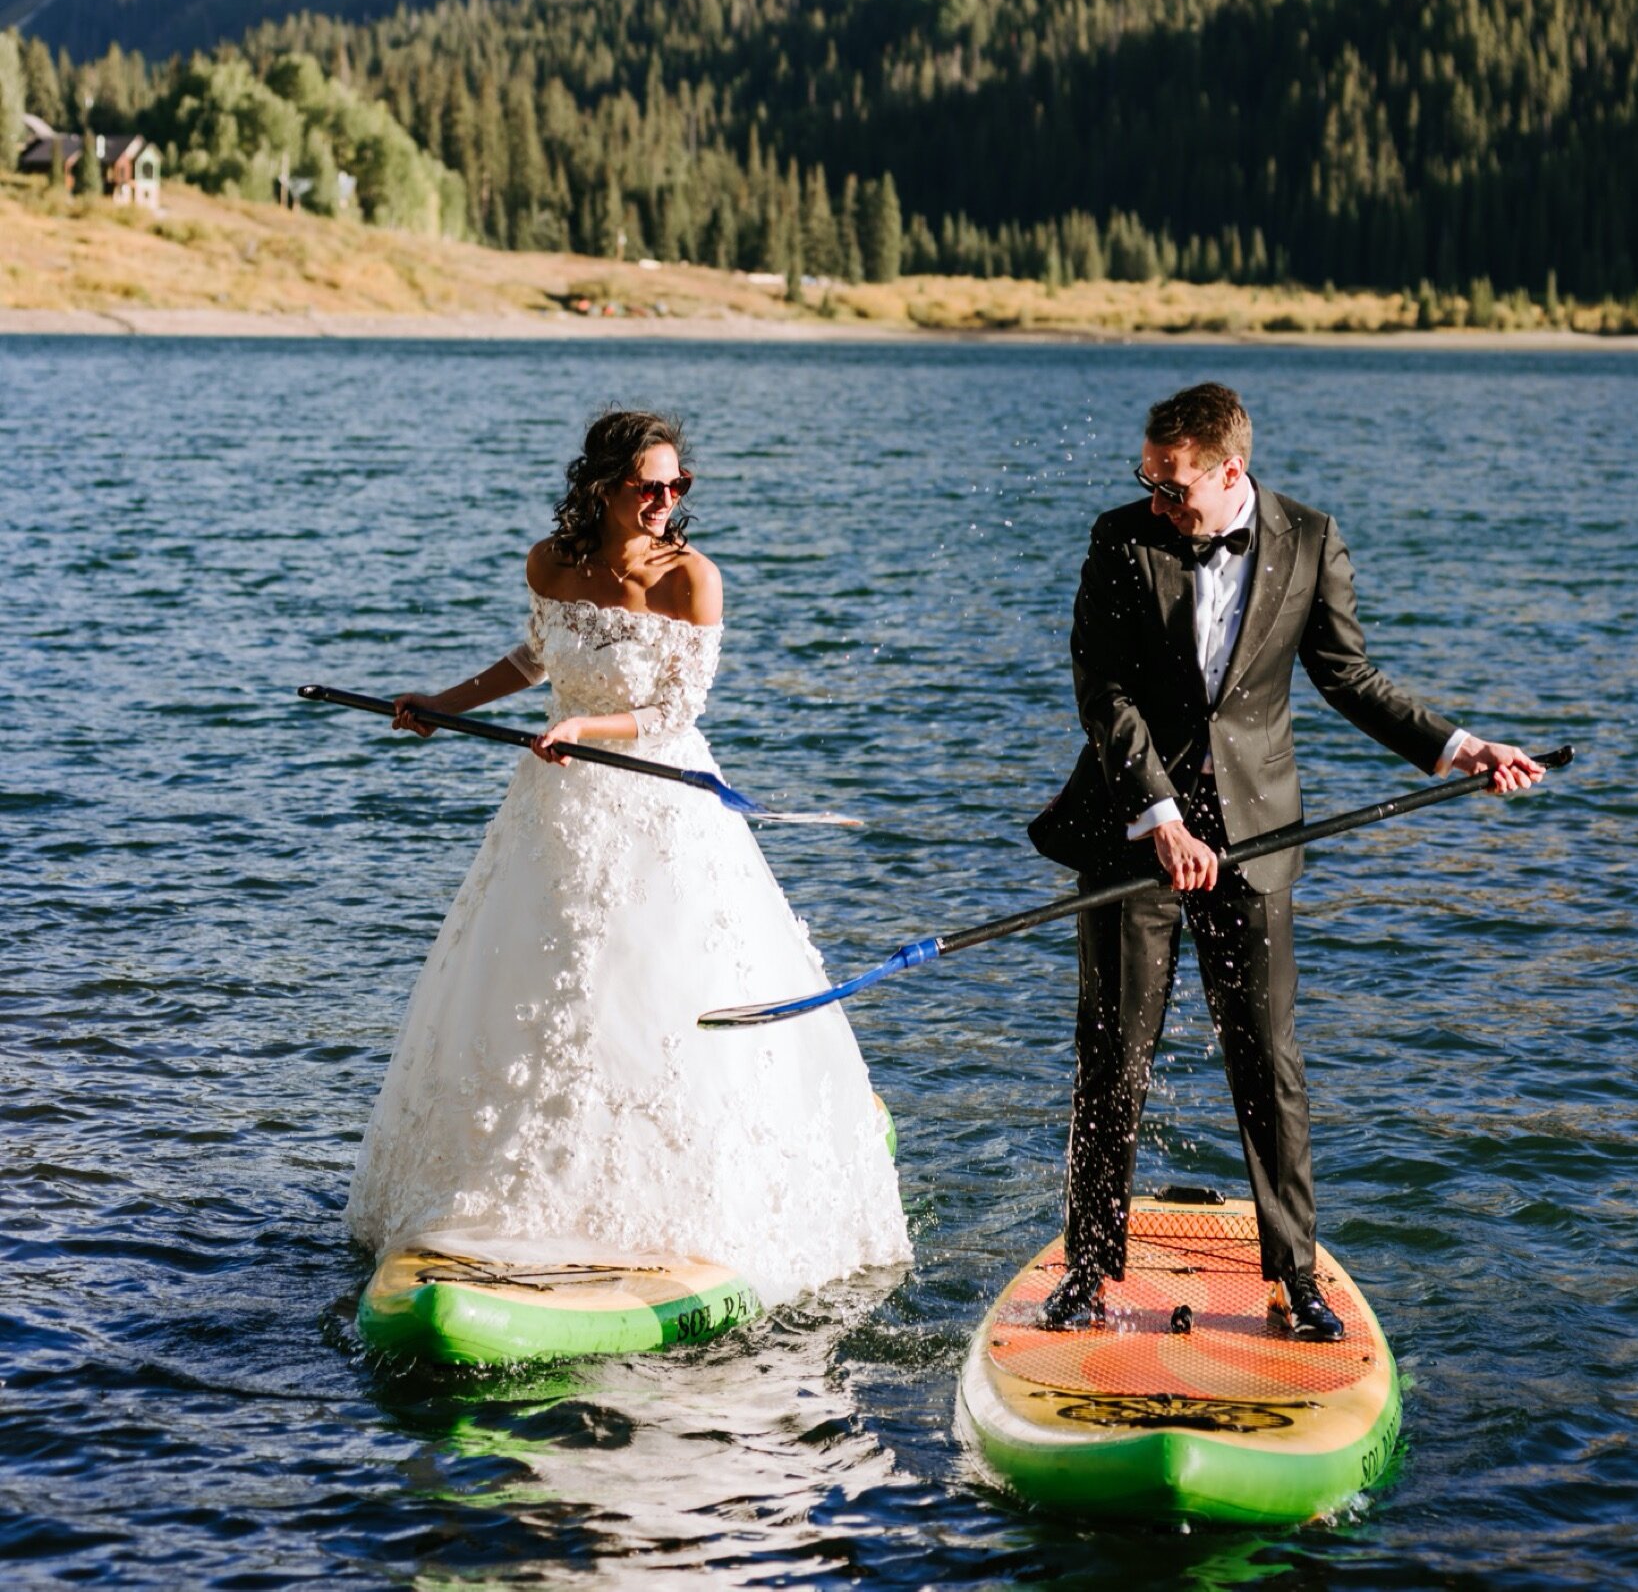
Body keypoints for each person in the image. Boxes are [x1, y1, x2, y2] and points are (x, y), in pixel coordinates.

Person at [346, 408, 909, 1306]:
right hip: (555, 809)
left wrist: (585, 724)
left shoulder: (693, 579)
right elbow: (537, 654)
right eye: (649, 485)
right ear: (603, 485)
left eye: (677, 485)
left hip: (659, 802)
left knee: (654, 984)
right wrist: (441, 703)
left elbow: (677, 711)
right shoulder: (550, 563)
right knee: (534, 980)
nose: (665, 500)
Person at [1029, 380, 1542, 1338]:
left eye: (1174, 484)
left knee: (1267, 1057)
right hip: (1135, 831)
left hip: (1256, 835)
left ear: (1233, 472)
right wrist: (1158, 814)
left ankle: (1293, 1277)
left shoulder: (1310, 538)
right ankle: (1090, 1272)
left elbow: (1348, 675)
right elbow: (1102, 691)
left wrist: (1459, 747)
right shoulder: (1119, 539)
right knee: (1112, 1059)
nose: (1157, 500)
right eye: (1147, 478)